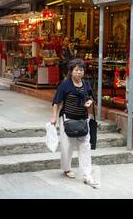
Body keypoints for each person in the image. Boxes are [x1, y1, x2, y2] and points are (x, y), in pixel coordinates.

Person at [50, 59, 99, 188]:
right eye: (76, 70)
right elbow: (57, 102)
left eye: (81, 70)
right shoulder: (65, 85)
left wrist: (90, 102)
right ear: (71, 71)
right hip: (68, 120)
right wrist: (54, 117)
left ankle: (87, 173)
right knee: (67, 147)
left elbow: (91, 97)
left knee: (85, 146)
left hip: (83, 120)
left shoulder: (86, 84)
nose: (79, 72)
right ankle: (66, 168)